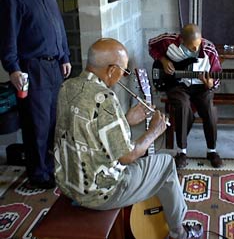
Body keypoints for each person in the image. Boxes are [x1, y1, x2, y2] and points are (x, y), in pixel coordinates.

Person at [54, 38, 203, 239]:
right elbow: (127, 156)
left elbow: (86, 129)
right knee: (167, 163)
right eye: (123, 71)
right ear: (111, 70)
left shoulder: (67, 87)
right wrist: (154, 131)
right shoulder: (104, 98)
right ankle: (179, 233)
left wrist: (125, 120)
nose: (122, 76)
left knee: (148, 159)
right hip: (99, 193)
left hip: (69, 183)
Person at [0, 0, 71, 189]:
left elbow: (58, 27)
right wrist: (13, 69)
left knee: (54, 122)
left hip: (54, 68)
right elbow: (7, 38)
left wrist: (65, 56)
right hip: (32, 69)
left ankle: (52, 167)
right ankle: (38, 174)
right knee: (37, 125)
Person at [149, 24, 223, 169]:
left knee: (209, 108)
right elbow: (151, 46)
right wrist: (163, 61)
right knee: (182, 106)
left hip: (201, 86)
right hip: (176, 85)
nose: (196, 50)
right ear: (182, 40)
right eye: (191, 47)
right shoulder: (168, 41)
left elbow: (217, 77)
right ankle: (181, 152)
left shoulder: (209, 50)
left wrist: (210, 83)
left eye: (197, 45)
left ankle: (212, 151)